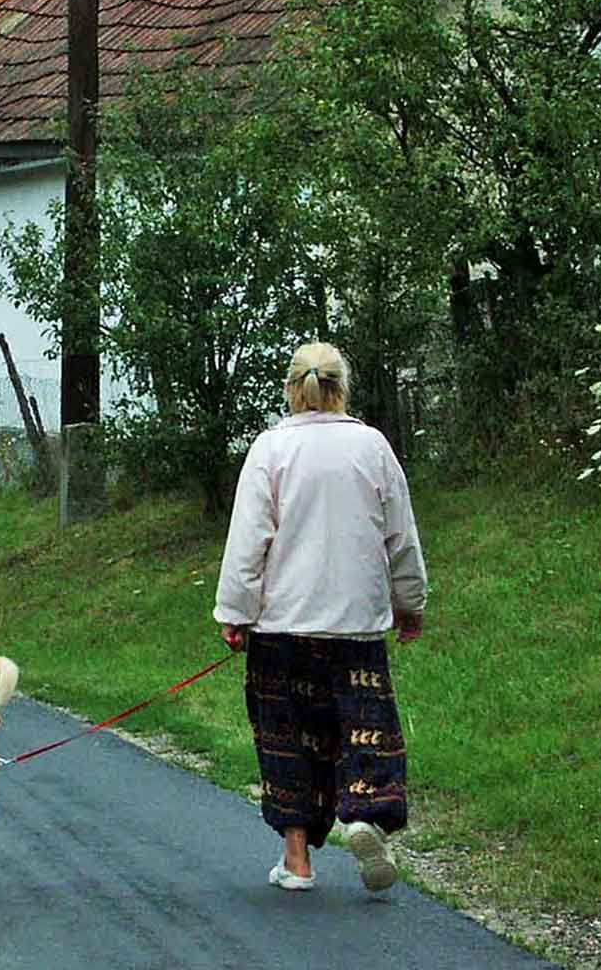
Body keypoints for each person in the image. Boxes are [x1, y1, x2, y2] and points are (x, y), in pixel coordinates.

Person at [213, 342, 426, 894]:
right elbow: (400, 538)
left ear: (293, 388)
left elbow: (248, 541)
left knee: (287, 741)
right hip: (355, 628)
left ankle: (298, 862)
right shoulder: (373, 447)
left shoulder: (270, 449)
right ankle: (363, 815)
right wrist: (410, 604)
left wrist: (234, 613)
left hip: (282, 628)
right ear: (341, 386)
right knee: (360, 728)